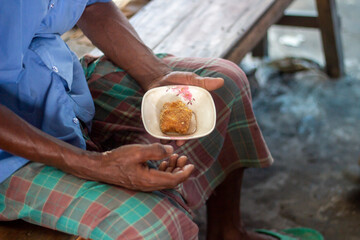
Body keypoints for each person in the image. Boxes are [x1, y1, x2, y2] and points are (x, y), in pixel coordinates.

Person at [0, 1, 278, 239]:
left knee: (225, 83)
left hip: (58, 81)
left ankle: (228, 233)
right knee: (151, 225)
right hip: (9, 154)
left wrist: (155, 75)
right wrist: (93, 165)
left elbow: (92, 5)